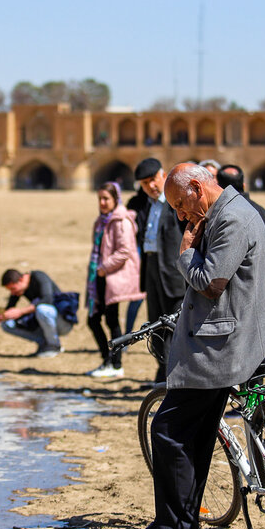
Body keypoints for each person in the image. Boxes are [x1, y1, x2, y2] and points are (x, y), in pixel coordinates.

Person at [130, 163, 265, 529]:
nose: (181, 215)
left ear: (197, 188)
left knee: (168, 429)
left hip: (223, 347)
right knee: (193, 436)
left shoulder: (232, 218)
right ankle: (181, 528)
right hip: (225, 339)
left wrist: (184, 253)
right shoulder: (225, 212)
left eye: (181, 205)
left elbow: (211, 283)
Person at [132, 157, 186, 382]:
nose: (151, 186)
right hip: (151, 269)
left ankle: (173, 375)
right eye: (145, 183)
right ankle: (162, 370)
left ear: (163, 175)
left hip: (174, 272)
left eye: (153, 180)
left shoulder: (177, 202)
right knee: (155, 325)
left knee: (175, 325)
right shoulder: (142, 204)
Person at [86, 182, 144, 378]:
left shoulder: (121, 221)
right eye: (100, 199)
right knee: (95, 319)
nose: (102, 203)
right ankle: (108, 361)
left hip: (111, 277)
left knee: (109, 319)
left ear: (115, 199)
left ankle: (115, 364)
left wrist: (103, 268)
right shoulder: (101, 221)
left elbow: (125, 250)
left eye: (106, 199)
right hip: (99, 278)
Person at [215, 164, 265, 287]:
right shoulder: (264, 214)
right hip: (261, 287)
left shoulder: (220, 216)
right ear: (244, 185)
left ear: (218, 188)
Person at [0, 269, 75, 357]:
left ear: (21, 280)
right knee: (7, 323)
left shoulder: (39, 276)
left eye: (13, 288)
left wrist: (21, 312)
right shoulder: (19, 289)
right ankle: (44, 343)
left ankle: (54, 346)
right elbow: (10, 307)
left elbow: (47, 299)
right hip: (43, 323)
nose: (12, 292)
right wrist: (3, 315)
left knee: (42, 309)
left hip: (62, 322)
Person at [123, 184, 149, 333]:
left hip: (152, 253)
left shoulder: (163, 204)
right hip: (139, 251)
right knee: (137, 298)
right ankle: (127, 335)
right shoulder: (135, 202)